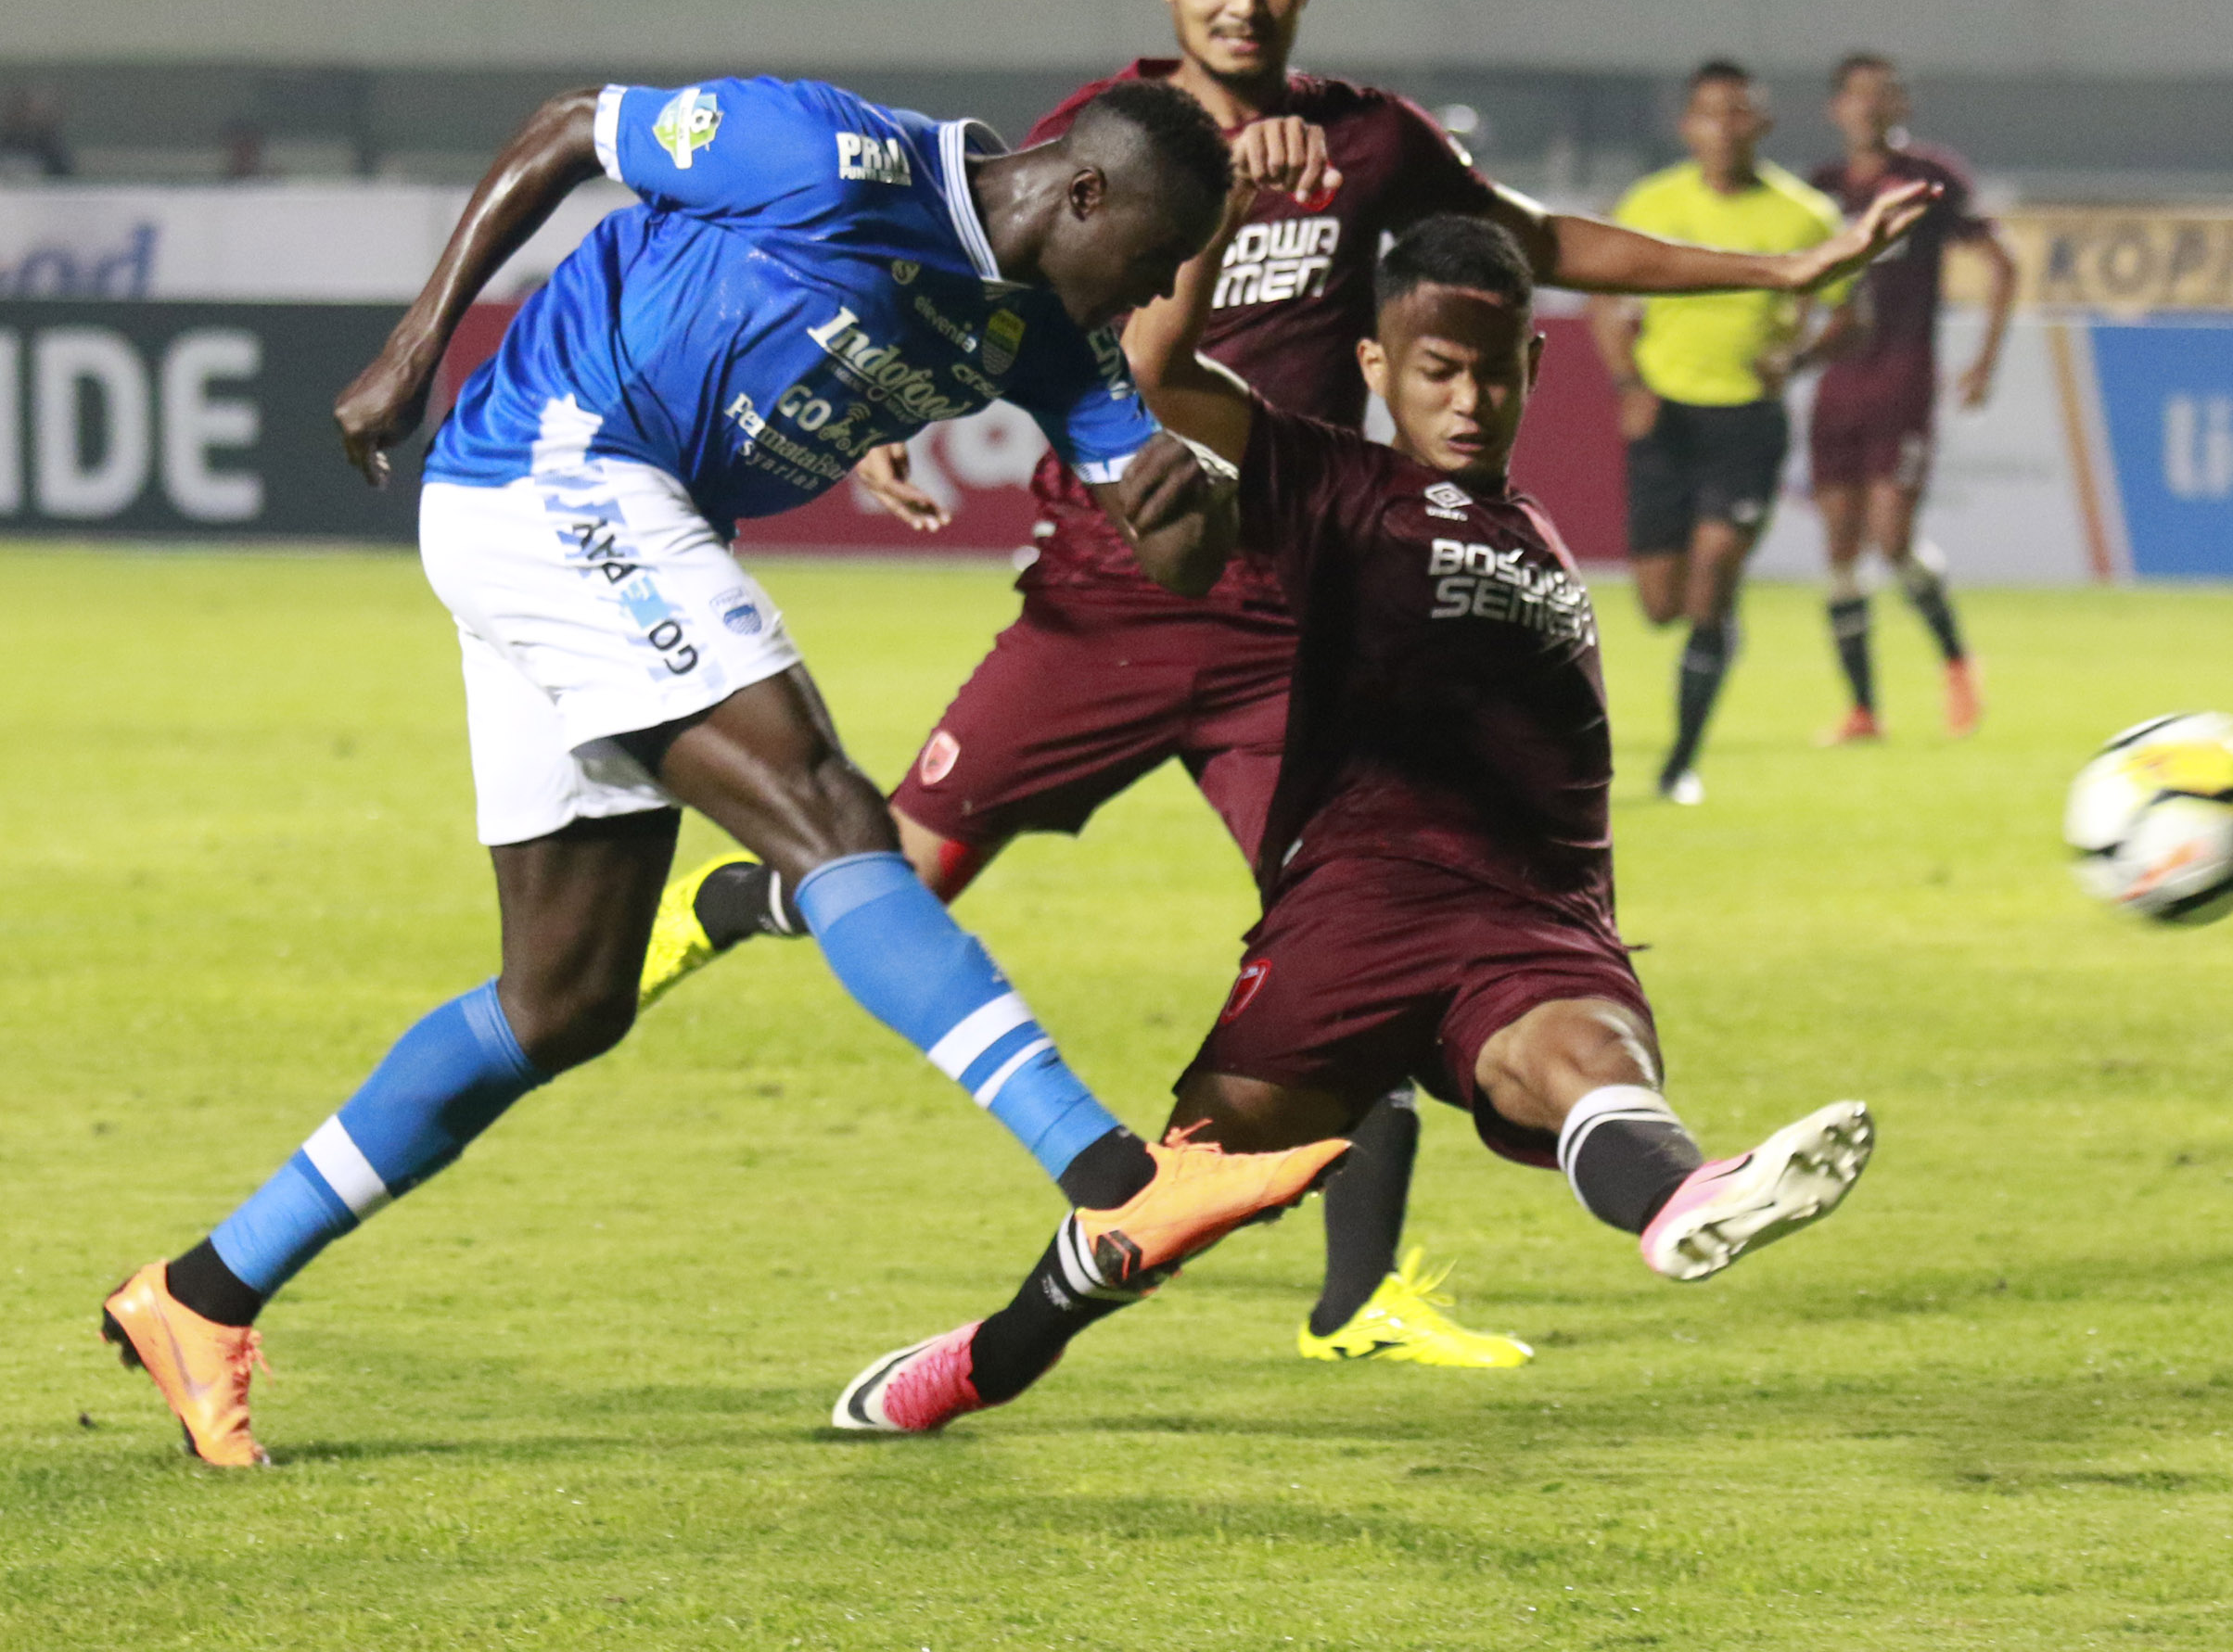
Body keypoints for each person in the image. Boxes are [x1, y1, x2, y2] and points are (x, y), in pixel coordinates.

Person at [634, 0, 1918, 1367]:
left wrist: (1784, 274)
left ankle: (1356, 1295)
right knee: (895, 879)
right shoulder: (1104, 138)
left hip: (1285, 612)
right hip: (1106, 593)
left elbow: (1544, 243)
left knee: (1359, 922)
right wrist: (884, 410)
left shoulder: (1369, 142)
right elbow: (989, 294)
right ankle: (737, 900)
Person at [97, 74, 1349, 1468]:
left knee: (563, 1001)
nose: (1162, 289)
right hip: (561, 462)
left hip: (595, 521)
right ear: (1084, 193)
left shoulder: (1056, 336)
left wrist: (1199, 505)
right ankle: (1111, 1174)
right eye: (1159, 256)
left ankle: (200, 1294)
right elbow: (569, 128)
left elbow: (1172, 548)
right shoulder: (836, 156)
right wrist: (416, 343)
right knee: (827, 811)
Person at [833, 212, 1908, 1437]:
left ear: (1532, 367)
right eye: (1438, 372)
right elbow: (1159, 369)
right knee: (1173, 1197)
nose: (1469, 401)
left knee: (1590, 1060)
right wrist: (1216, 207)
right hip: (1360, 914)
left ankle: (1686, 1196)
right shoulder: (1336, 483)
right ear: (1376, 367)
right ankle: (991, 1358)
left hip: (1535, 917)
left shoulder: (1539, 535)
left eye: (1493, 373)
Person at [1589, 61, 1851, 806]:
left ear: (1763, 123)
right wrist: (1629, 383)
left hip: (1747, 420)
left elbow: (1849, 314)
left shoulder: (1805, 216)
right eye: (1711, 112)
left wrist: (1797, 359)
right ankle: (1710, 634)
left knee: (1712, 578)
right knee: (1659, 604)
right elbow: (1604, 298)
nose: (1726, 127)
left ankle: (1681, 763)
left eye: (1740, 112)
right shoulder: (1653, 202)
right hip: (1665, 417)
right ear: (1687, 126)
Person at [1804, 52, 2019, 743]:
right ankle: (1863, 711)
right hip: (1837, 382)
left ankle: (1956, 660)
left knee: (1892, 539)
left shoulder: (1930, 178)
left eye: (1883, 94)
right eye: (1857, 94)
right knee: (1840, 545)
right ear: (1836, 107)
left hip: (1903, 377)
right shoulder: (1818, 190)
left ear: (1902, 106)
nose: (1869, 106)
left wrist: (1985, 361)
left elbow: (2003, 263)